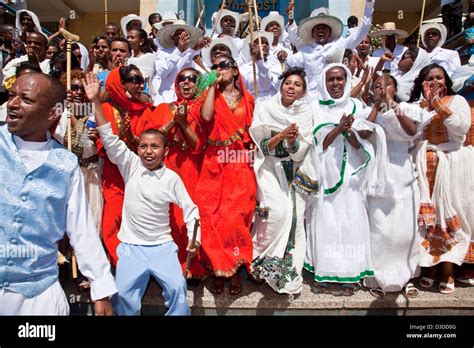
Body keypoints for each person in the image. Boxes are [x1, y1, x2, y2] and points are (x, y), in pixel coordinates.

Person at [0, 72, 117, 315]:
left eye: (26, 99)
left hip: (37, 297)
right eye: (12, 96)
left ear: (53, 113)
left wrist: (101, 288)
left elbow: (82, 229)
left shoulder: (64, 164)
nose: (13, 104)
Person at [83, 72, 199, 316]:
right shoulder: (130, 164)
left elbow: (191, 210)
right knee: (123, 301)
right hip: (131, 248)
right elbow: (109, 137)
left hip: (163, 248)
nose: (148, 151)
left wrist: (193, 238)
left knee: (179, 290)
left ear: (165, 151)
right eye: (144, 146)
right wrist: (95, 101)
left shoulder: (171, 178)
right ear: (138, 149)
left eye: (154, 146)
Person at [305, 63, 389, 295]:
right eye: (331, 79)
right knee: (327, 222)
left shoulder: (356, 105)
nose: (335, 84)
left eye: (340, 79)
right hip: (325, 171)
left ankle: (348, 272)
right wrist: (337, 129)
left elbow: (364, 135)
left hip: (351, 173)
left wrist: (352, 132)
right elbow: (315, 143)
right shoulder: (314, 107)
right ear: (324, 82)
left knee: (351, 222)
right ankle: (325, 271)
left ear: (346, 80)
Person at [250, 67, 317, 294]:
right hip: (268, 170)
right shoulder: (265, 108)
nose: (291, 87)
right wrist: (281, 135)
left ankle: (282, 272)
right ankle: (259, 262)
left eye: (297, 84)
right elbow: (262, 146)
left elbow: (301, 151)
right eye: (288, 82)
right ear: (281, 85)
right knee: (273, 213)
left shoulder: (306, 113)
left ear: (304, 91)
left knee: (294, 220)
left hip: (294, 172)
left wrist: (291, 141)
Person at [409, 64, 473, 294]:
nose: (435, 82)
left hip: (452, 164)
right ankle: (431, 267)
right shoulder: (416, 106)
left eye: (439, 78)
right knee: (428, 220)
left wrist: (437, 105)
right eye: (429, 79)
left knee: (452, 217)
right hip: (425, 168)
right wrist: (426, 107)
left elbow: (461, 129)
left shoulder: (457, 101)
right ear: (422, 83)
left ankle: (448, 270)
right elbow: (411, 136)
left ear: (446, 81)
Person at [197, 55, 256, 295]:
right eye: (214, 66)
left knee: (236, 218)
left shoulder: (249, 99)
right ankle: (217, 268)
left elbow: (254, 130)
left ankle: (234, 267)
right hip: (214, 162)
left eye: (222, 66)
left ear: (234, 70)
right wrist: (211, 85)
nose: (218, 69)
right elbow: (206, 117)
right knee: (212, 217)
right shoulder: (210, 96)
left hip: (240, 163)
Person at [147, 68, 209, 282]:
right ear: (176, 83)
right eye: (182, 78)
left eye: (193, 79)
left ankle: (193, 266)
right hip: (167, 165)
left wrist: (183, 123)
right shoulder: (164, 108)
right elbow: (154, 137)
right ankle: (170, 265)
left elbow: (197, 146)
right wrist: (175, 120)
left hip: (192, 167)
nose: (187, 82)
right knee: (168, 216)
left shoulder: (202, 110)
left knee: (189, 214)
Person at [363, 74, 421, 298]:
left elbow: (411, 131)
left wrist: (393, 104)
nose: (382, 89)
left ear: (395, 89)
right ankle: (380, 277)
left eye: (386, 85)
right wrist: (377, 106)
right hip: (379, 171)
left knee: (404, 228)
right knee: (380, 227)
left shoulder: (406, 107)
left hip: (402, 170)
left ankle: (406, 276)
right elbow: (365, 134)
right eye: (377, 86)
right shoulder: (370, 110)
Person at [97, 65, 154, 266]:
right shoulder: (106, 110)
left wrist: (134, 140)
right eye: (134, 80)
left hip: (141, 178)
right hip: (114, 180)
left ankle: (138, 267)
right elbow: (101, 146)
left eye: (141, 80)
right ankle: (122, 266)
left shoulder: (146, 111)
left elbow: (152, 147)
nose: (140, 85)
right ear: (120, 84)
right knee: (112, 225)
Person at [284, 0, 375, 98]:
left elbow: (363, 29)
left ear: (330, 32)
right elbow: (288, 63)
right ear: (312, 33)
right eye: (317, 28)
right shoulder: (305, 52)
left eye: (324, 28)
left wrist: (369, 5)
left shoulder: (340, 45)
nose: (321, 30)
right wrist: (282, 55)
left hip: (335, 100)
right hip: (312, 101)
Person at [152, 20, 204, 105]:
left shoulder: (191, 53)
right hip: (165, 99)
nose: (180, 36)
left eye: (184, 34)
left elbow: (196, 72)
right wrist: (178, 50)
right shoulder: (162, 53)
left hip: (185, 99)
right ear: (172, 37)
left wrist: (195, 48)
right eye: (177, 34)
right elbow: (162, 73)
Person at [240, 31, 282, 102]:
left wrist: (259, 59)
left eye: (267, 44)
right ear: (252, 47)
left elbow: (266, 85)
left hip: (272, 106)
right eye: (261, 42)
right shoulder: (244, 69)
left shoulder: (276, 67)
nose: (265, 45)